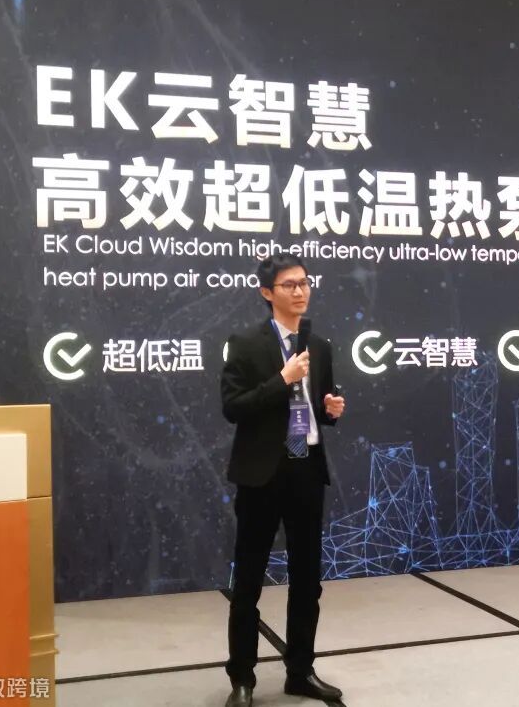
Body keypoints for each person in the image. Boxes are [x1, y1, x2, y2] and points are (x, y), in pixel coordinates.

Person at [220, 254, 346, 706]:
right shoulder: (245, 343)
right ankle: (242, 679)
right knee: (249, 582)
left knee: (308, 580)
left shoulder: (320, 345)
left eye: (304, 283)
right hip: (261, 474)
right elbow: (233, 407)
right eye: (289, 284)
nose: (299, 291)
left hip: (305, 468)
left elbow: (315, 406)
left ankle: (300, 671)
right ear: (266, 292)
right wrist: (282, 378)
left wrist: (330, 410)